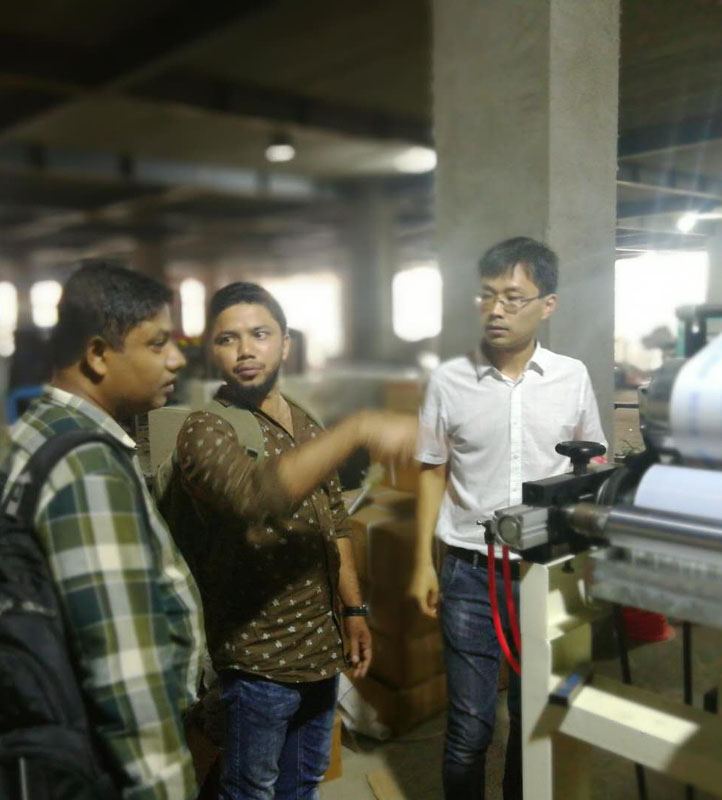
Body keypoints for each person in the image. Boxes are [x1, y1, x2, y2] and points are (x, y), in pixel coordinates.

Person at [169, 282, 417, 800]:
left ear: (285, 343)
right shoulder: (205, 429)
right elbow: (254, 496)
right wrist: (359, 428)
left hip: (322, 651)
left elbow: (335, 522)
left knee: (302, 784)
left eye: (259, 334)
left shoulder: (305, 424)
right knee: (251, 790)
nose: (245, 350)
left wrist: (354, 610)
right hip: (258, 664)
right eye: (228, 339)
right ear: (212, 351)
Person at [409, 237, 607, 800]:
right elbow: (431, 470)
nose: (496, 309)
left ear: (548, 305)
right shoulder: (449, 380)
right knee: (470, 726)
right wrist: (423, 563)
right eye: (487, 295)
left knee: (533, 715)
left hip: (546, 573)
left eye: (513, 298)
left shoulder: (571, 377)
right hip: (470, 574)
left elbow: (592, 465)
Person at [0, 261, 205, 800]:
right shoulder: (88, 469)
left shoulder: (38, 429)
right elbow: (125, 673)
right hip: (99, 763)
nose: (177, 358)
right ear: (96, 354)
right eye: (157, 343)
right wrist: (168, 786)